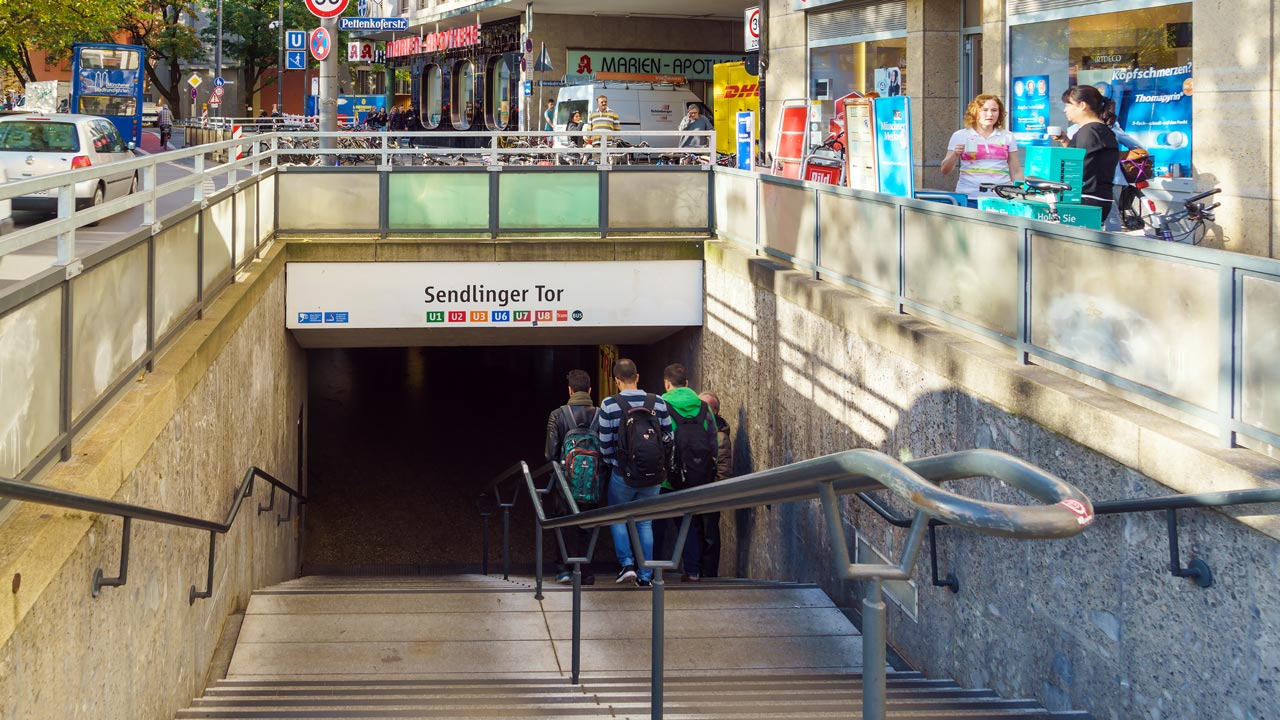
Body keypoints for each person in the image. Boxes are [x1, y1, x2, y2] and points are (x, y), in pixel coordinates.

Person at [597, 358, 673, 587]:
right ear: (637, 377)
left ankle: (627, 564)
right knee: (645, 522)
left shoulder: (609, 404)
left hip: (623, 475)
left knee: (617, 516)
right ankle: (645, 575)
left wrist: (615, 464)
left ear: (616, 380)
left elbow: (604, 443)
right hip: (653, 475)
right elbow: (669, 437)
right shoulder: (657, 402)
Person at [658, 363, 718, 582]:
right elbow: (714, 443)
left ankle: (654, 570)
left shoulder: (661, 406)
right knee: (689, 523)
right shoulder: (704, 408)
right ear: (686, 383)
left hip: (667, 479)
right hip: (696, 478)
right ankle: (692, 571)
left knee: (657, 523)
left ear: (666, 383)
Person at [543, 369, 599, 585]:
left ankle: (563, 569)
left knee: (562, 524)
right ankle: (587, 572)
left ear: (569, 390)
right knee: (588, 524)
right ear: (590, 390)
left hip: (565, 483)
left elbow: (550, 454)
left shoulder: (558, 415)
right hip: (593, 481)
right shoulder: (600, 414)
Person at [940, 94, 1023, 207]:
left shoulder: (1007, 136)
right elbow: (945, 169)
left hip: (1002, 197)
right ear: (975, 112)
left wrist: (1021, 194)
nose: (990, 114)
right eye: (984, 110)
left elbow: (1016, 170)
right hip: (970, 196)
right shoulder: (961, 135)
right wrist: (955, 154)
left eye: (994, 110)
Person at [1059, 85, 1120, 220]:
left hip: (1086, 198)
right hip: (1099, 197)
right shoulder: (1099, 130)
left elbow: (1081, 167)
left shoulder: (1089, 131)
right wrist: (1065, 141)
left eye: (1068, 105)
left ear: (1082, 105)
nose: (1065, 110)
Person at [697, 391, 732, 578]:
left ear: (715, 410)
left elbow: (724, 471)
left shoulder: (720, 437)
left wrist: (714, 496)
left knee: (709, 536)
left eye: (705, 406)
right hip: (695, 491)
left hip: (710, 494)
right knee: (697, 534)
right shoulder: (696, 428)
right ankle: (695, 571)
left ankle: (708, 575)